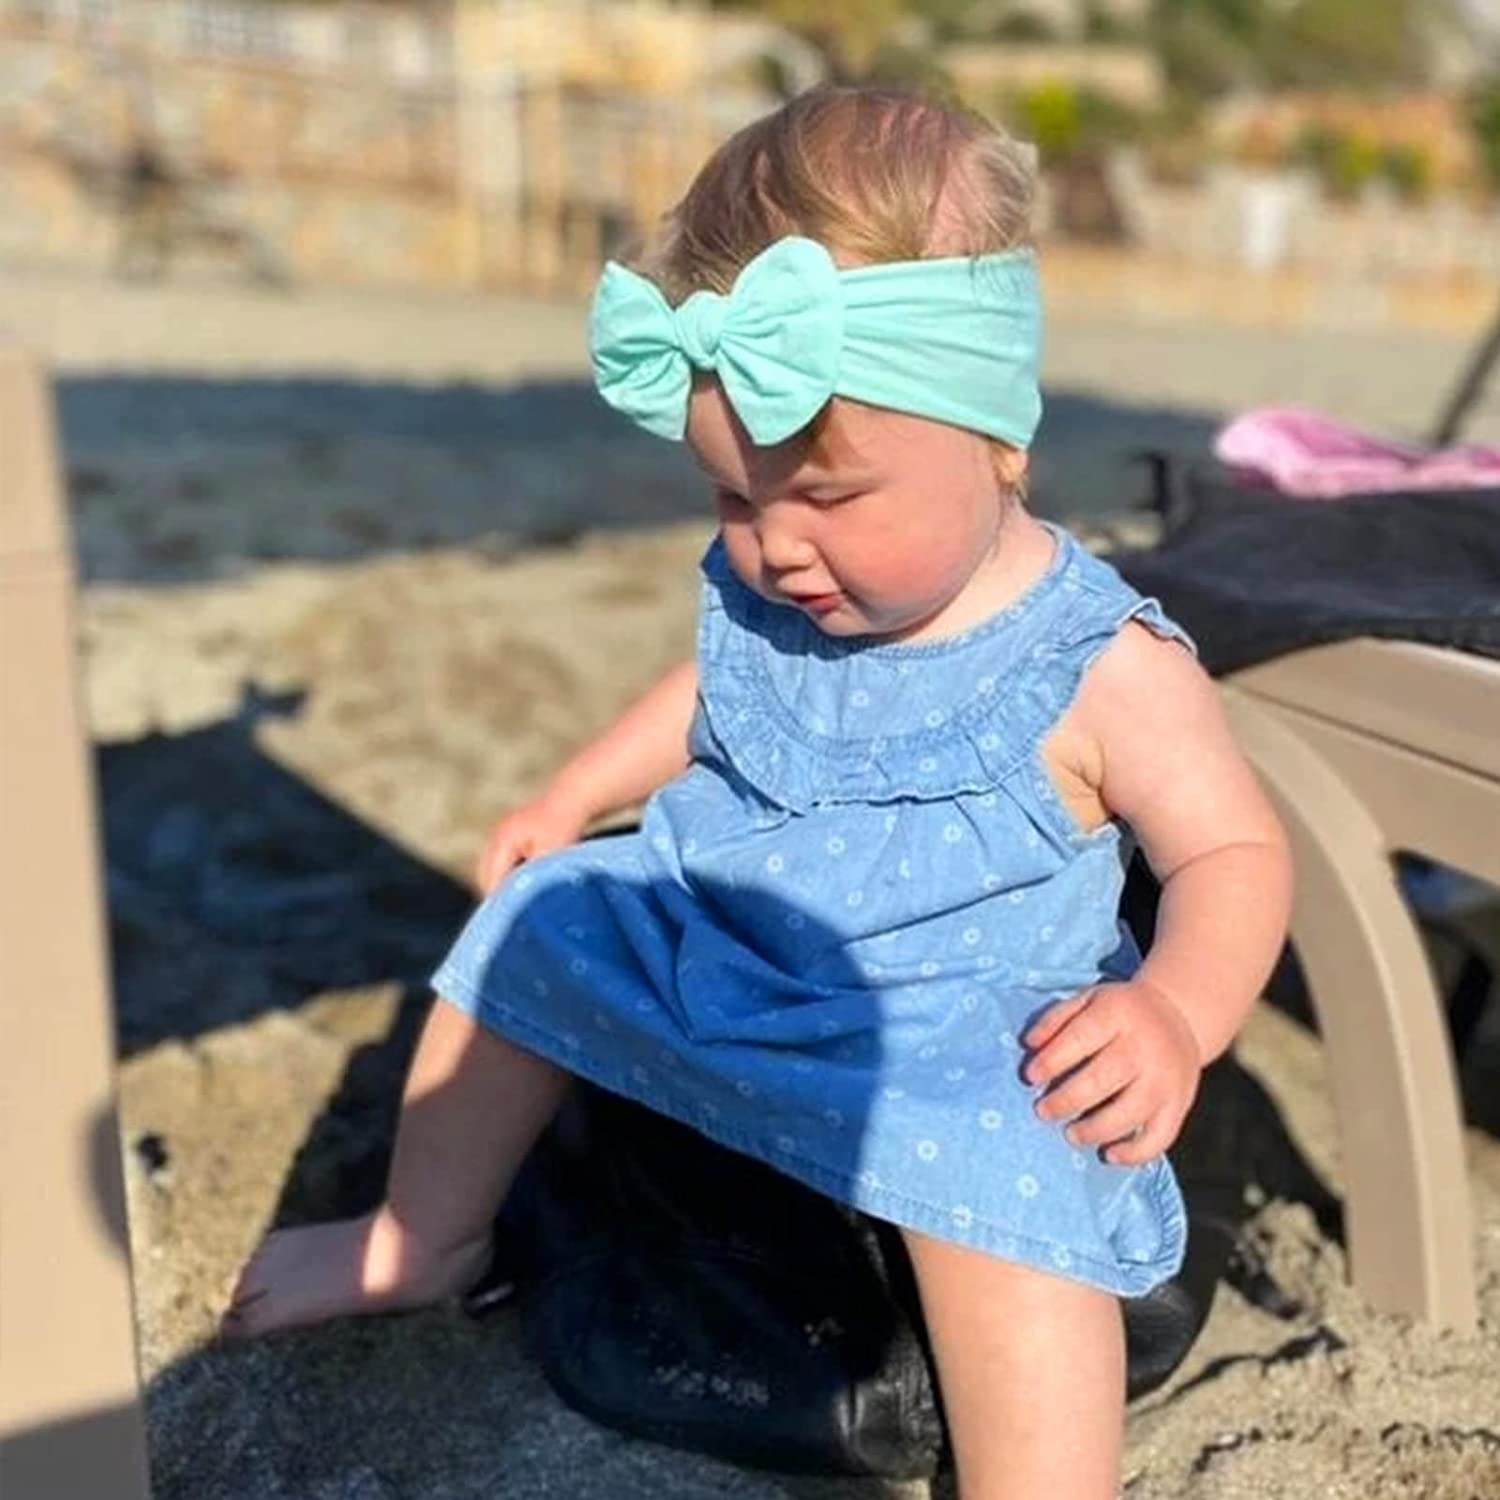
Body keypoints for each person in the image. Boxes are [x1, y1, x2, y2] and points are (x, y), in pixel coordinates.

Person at [223, 85, 1293, 1500]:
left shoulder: (1099, 664)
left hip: (951, 1024)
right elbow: (710, 694)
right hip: (726, 940)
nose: (777, 549)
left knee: (1013, 1167)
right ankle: (423, 1236)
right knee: (538, 925)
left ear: (998, 439)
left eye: (828, 499)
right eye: (736, 499)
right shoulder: (779, 594)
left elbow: (1232, 853)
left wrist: (1172, 1012)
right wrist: (576, 792)